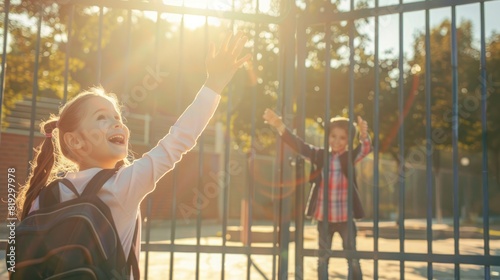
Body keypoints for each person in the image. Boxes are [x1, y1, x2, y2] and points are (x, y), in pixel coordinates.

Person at [16, 32, 251, 279]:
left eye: (118, 118)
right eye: (101, 118)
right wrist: (213, 84)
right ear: (74, 140)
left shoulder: (46, 195)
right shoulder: (123, 185)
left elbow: (20, 258)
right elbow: (178, 141)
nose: (117, 124)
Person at [262, 108, 372, 280]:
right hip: (324, 218)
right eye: (333, 136)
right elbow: (300, 146)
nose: (336, 141)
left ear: (349, 140)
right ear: (327, 136)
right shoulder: (320, 155)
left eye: (342, 138)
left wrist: (364, 135)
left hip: (345, 218)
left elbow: (365, 149)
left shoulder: (349, 156)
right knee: (322, 259)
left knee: (352, 257)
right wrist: (279, 125)